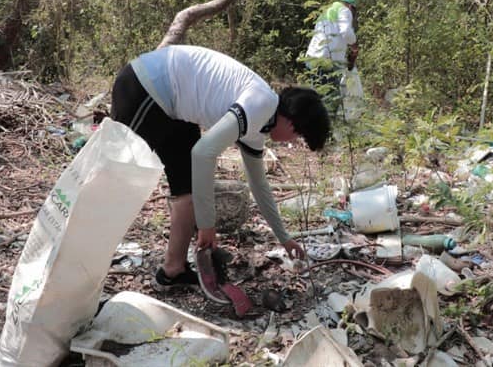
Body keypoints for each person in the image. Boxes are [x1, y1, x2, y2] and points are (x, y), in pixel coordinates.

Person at [110, 45, 330, 301]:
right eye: (299, 136)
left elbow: (259, 186)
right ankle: (81, 249)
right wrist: (207, 226)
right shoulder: (262, 103)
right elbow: (204, 153)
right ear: (292, 123)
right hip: (146, 86)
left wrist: (285, 239)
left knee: (189, 189)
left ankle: (173, 270)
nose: (292, 141)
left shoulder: (259, 125)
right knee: (115, 176)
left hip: (177, 108)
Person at [305, 0, 359, 110]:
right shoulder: (344, 10)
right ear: (350, 6)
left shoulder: (327, 10)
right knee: (330, 99)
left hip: (312, 58)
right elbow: (346, 31)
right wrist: (354, 46)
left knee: (316, 96)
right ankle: (329, 125)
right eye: (354, 10)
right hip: (327, 60)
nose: (353, 14)